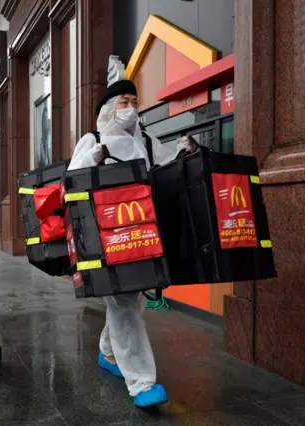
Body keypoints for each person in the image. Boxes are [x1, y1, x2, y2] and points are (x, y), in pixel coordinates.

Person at [68, 76, 194, 407]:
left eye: (135, 102)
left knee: (130, 300)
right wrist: (90, 164)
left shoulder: (149, 141)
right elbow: (71, 183)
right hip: (108, 239)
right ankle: (141, 383)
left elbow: (167, 173)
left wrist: (184, 156)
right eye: (123, 102)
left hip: (144, 235)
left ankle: (108, 355)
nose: (130, 108)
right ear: (108, 108)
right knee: (123, 302)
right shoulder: (93, 140)